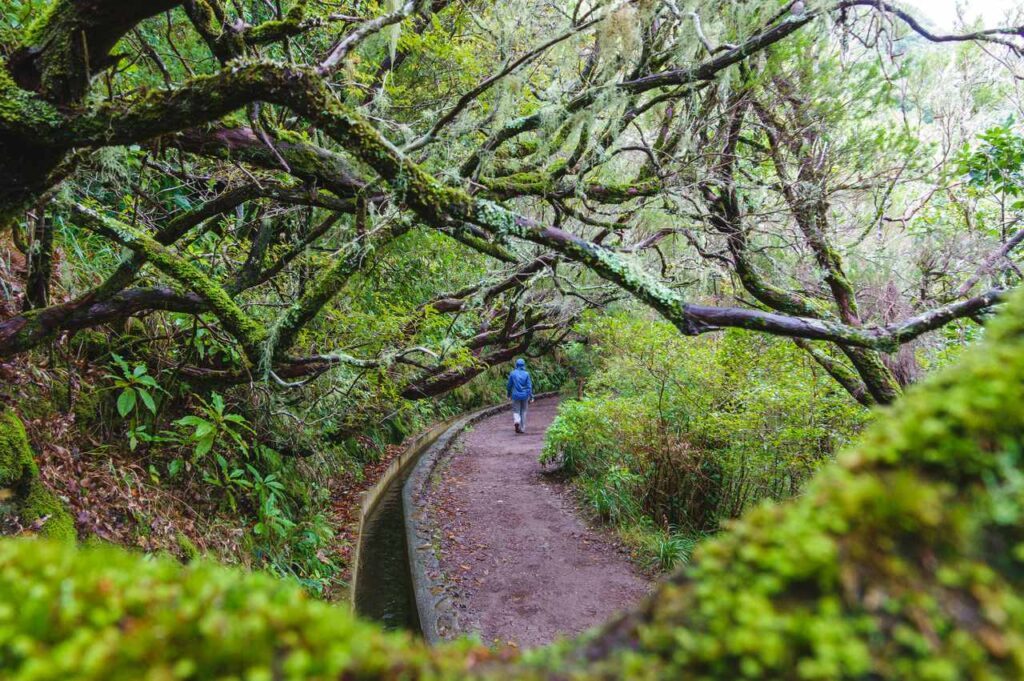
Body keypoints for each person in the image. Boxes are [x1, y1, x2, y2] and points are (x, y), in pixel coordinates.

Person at [506, 358, 533, 433]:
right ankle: (522, 428)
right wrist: (531, 396)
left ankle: (517, 421)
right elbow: (529, 386)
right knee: (523, 411)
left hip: (515, 395)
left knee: (516, 410)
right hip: (525, 395)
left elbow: (509, 385)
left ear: (516, 365)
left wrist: (508, 394)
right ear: (523, 365)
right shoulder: (526, 374)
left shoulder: (512, 373)